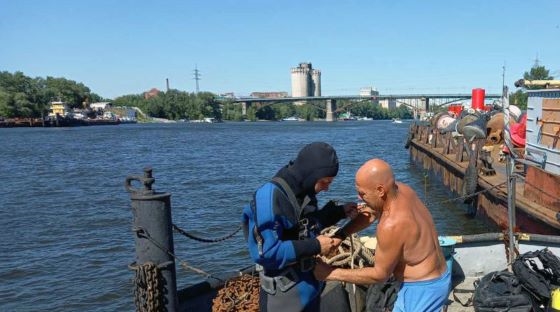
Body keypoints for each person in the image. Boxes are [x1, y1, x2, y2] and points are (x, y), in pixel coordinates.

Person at [314, 158, 450, 312]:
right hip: (440, 277)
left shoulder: (391, 224)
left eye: (362, 193)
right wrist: (341, 235)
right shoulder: (402, 190)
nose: (359, 198)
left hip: (421, 290)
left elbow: (380, 275)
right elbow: (371, 214)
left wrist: (329, 273)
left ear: (380, 190)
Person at [242, 142, 358, 312]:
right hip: (283, 298)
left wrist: (339, 212)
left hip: (310, 289)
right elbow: (266, 253)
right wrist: (317, 245)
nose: (327, 188)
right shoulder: (269, 197)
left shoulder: (305, 191)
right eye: (325, 182)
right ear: (312, 174)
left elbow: (306, 226)